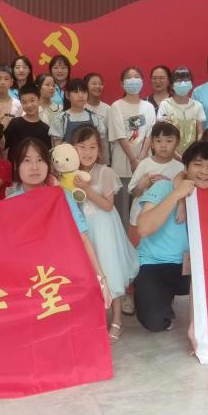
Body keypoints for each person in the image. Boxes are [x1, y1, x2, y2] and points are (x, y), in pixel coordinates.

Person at [7, 137, 111, 309]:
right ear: (17, 166)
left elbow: (82, 238)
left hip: (60, 277)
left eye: (40, 160)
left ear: (48, 165)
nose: (34, 167)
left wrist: (101, 279)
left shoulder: (61, 197)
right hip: (26, 283)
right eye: (27, 160)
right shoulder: (9, 204)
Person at [135, 141, 208, 332]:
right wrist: (177, 195)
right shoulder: (164, 187)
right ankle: (163, 299)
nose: (204, 171)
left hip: (194, 269)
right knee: (154, 322)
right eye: (198, 164)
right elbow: (143, 228)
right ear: (186, 166)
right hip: (157, 264)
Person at [71, 126, 138, 342]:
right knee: (88, 272)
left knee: (110, 270)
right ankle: (94, 317)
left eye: (92, 147)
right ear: (73, 149)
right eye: (82, 147)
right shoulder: (69, 174)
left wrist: (87, 189)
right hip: (82, 230)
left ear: (99, 150)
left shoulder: (105, 172)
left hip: (105, 228)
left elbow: (108, 206)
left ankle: (117, 319)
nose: (87, 152)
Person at [109, 67, 157, 228]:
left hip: (144, 164)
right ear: (122, 83)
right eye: (129, 78)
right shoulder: (116, 106)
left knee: (141, 207)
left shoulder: (148, 107)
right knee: (122, 208)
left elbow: (150, 134)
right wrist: (133, 159)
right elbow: (120, 135)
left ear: (142, 82)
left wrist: (141, 158)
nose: (133, 80)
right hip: (123, 165)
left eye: (136, 77)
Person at [128, 121, 184, 227]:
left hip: (167, 220)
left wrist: (166, 185)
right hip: (140, 218)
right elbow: (134, 192)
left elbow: (182, 194)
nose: (163, 145)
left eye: (169, 141)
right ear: (152, 144)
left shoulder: (180, 168)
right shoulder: (144, 164)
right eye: (158, 141)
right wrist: (141, 185)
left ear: (177, 143)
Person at [157, 67, 206, 158]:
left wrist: (194, 151)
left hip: (192, 155)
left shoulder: (197, 105)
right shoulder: (165, 104)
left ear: (191, 84)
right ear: (172, 85)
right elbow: (163, 133)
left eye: (186, 80)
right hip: (170, 155)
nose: (183, 83)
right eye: (179, 81)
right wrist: (176, 155)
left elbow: (200, 132)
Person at [49, 78, 105, 147]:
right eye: (76, 92)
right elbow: (57, 147)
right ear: (67, 95)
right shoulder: (60, 119)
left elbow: (101, 143)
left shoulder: (94, 117)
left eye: (84, 92)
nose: (81, 96)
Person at [3, 84, 51, 163]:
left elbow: (46, 155)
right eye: (24, 102)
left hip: (35, 168)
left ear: (39, 100)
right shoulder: (15, 123)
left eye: (32, 100)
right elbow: (3, 145)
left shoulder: (45, 129)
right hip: (15, 168)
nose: (29, 105)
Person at [84, 72, 111, 164]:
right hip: (84, 156)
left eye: (100, 84)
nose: (98, 86)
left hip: (103, 157)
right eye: (94, 83)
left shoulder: (108, 109)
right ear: (86, 86)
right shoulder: (81, 108)